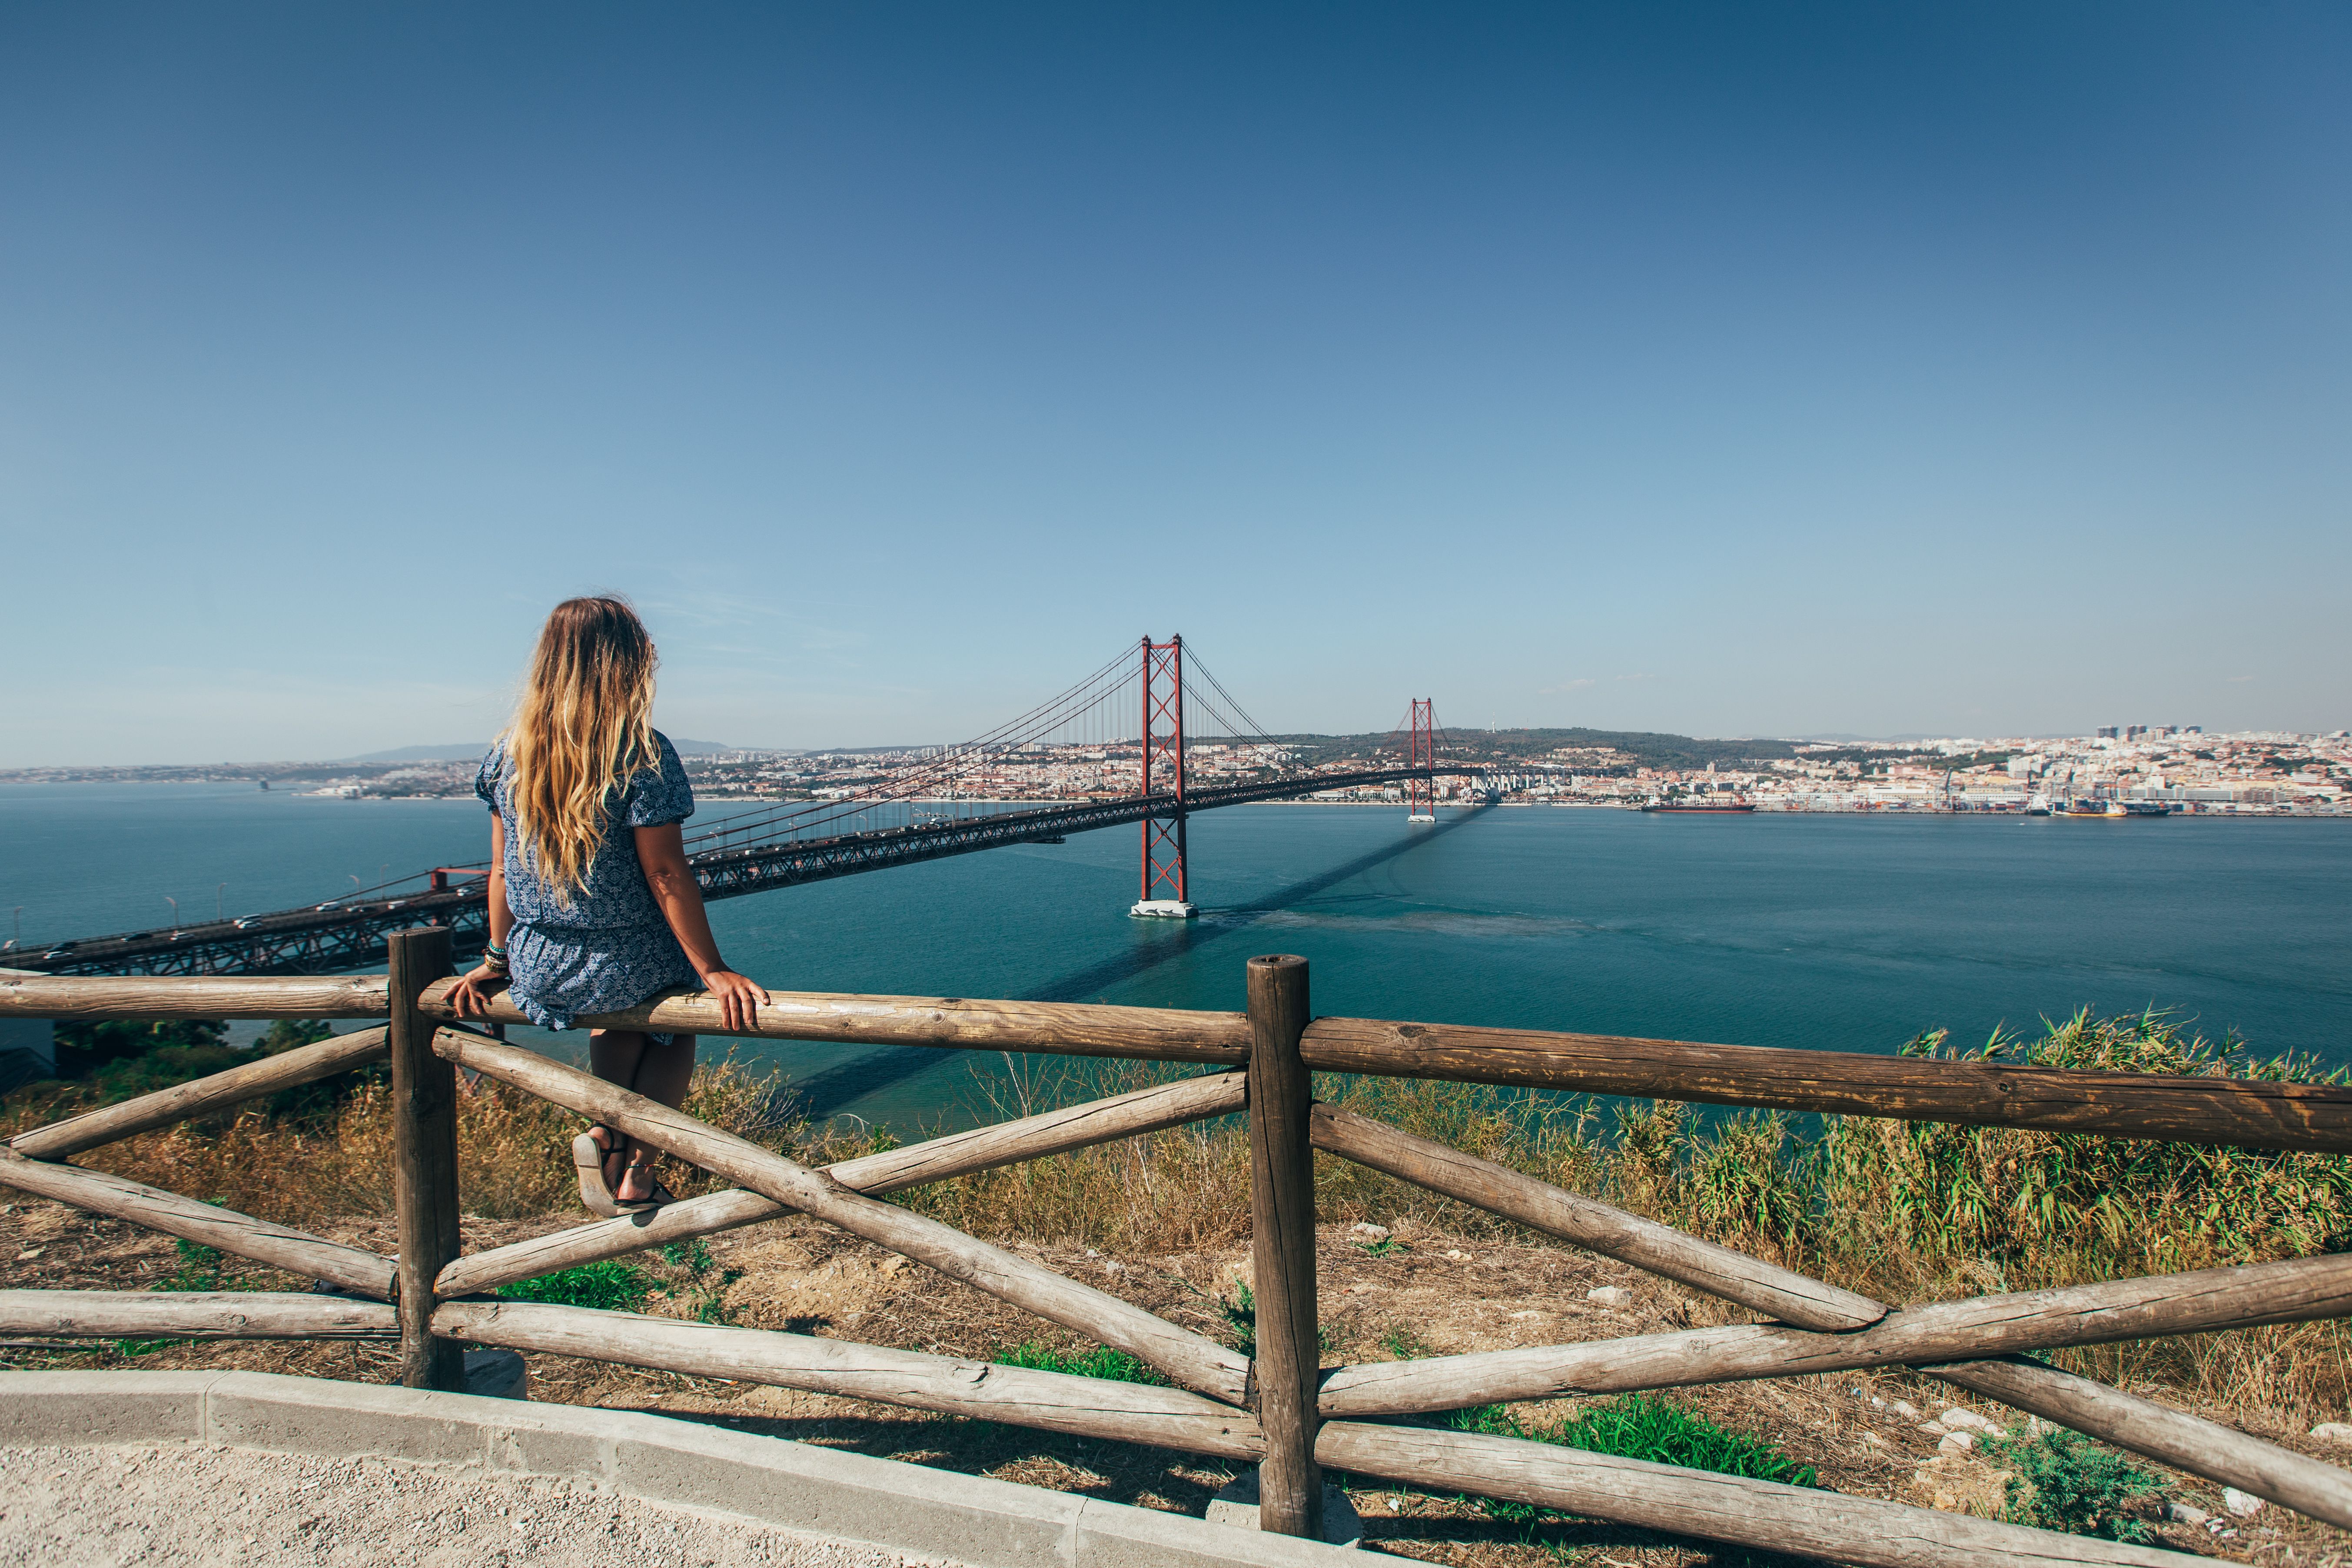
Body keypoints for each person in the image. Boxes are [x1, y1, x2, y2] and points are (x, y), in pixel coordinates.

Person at [448, 596, 767, 1215]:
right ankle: (638, 1168)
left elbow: (500, 871)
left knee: (612, 1018)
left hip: (539, 958)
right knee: (675, 1025)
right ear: (628, 664)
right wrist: (712, 970)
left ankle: (607, 1134)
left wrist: (495, 958)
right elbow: (667, 873)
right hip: (628, 956)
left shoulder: (509, 753)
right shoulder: (642, 752)